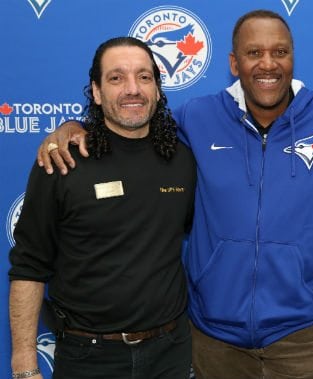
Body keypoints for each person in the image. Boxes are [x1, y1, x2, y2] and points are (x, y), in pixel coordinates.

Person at [35, 10, 313, 379]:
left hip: (299, 336)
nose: (267, 64)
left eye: (279, 52)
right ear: (234, 63)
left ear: (292, 59)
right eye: (254, 53)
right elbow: (133, 128)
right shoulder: (198, 116)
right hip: (214, 338)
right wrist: (76, 127)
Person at [9, 37, 196, 379]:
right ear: (95, 92)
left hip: (170, 352)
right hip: (87, 358)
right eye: (116, 78)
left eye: (144, 77)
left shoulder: (182, 160)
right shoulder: (62, 161)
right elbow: (28, 266)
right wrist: (24, 364)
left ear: (157, 88)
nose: (132, 89)